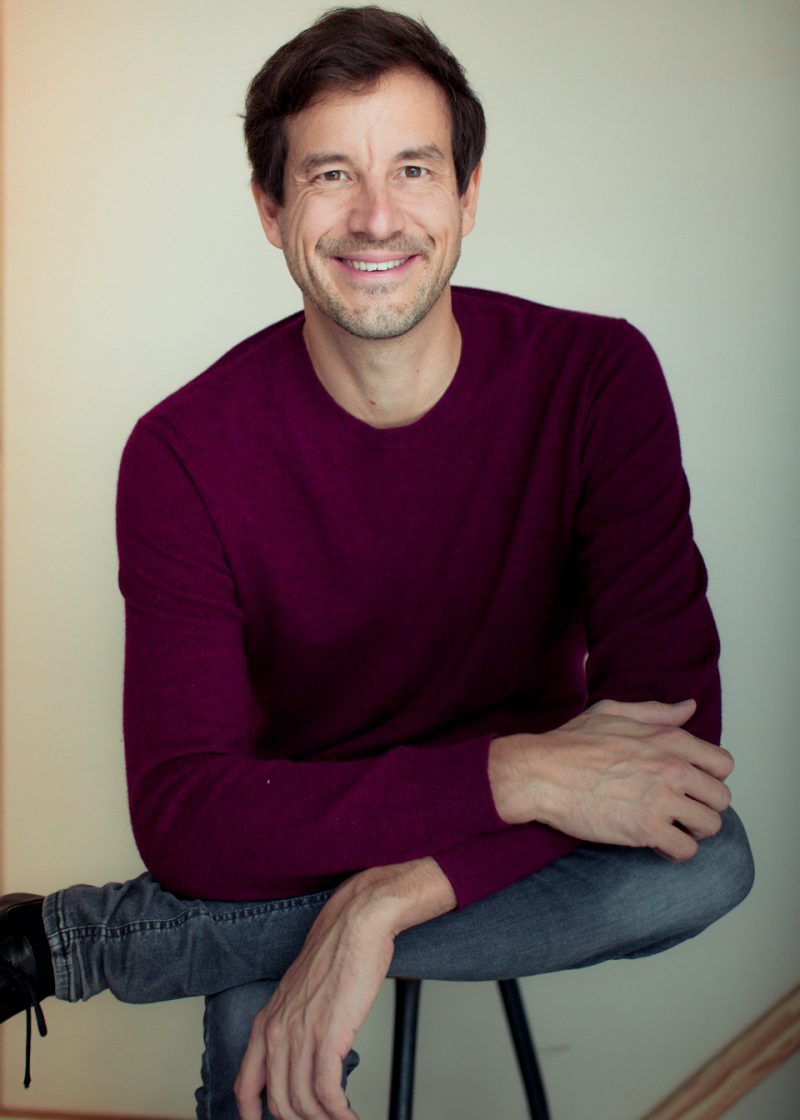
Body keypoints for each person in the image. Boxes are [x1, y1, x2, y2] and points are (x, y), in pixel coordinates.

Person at [1, 7, 754, 1120]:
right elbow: (190, 819)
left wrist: (387, 900)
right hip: (312, 820)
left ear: (466, 193)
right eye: (329, 175)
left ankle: (76, 943)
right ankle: (230, 939)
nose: (376, 216)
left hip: (429, 847)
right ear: (271, 209)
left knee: (708, 857)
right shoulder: (182, 454)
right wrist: (519, 775)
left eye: (413, 167)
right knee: (262, 1030)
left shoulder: (597, 377)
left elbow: (671, 745)